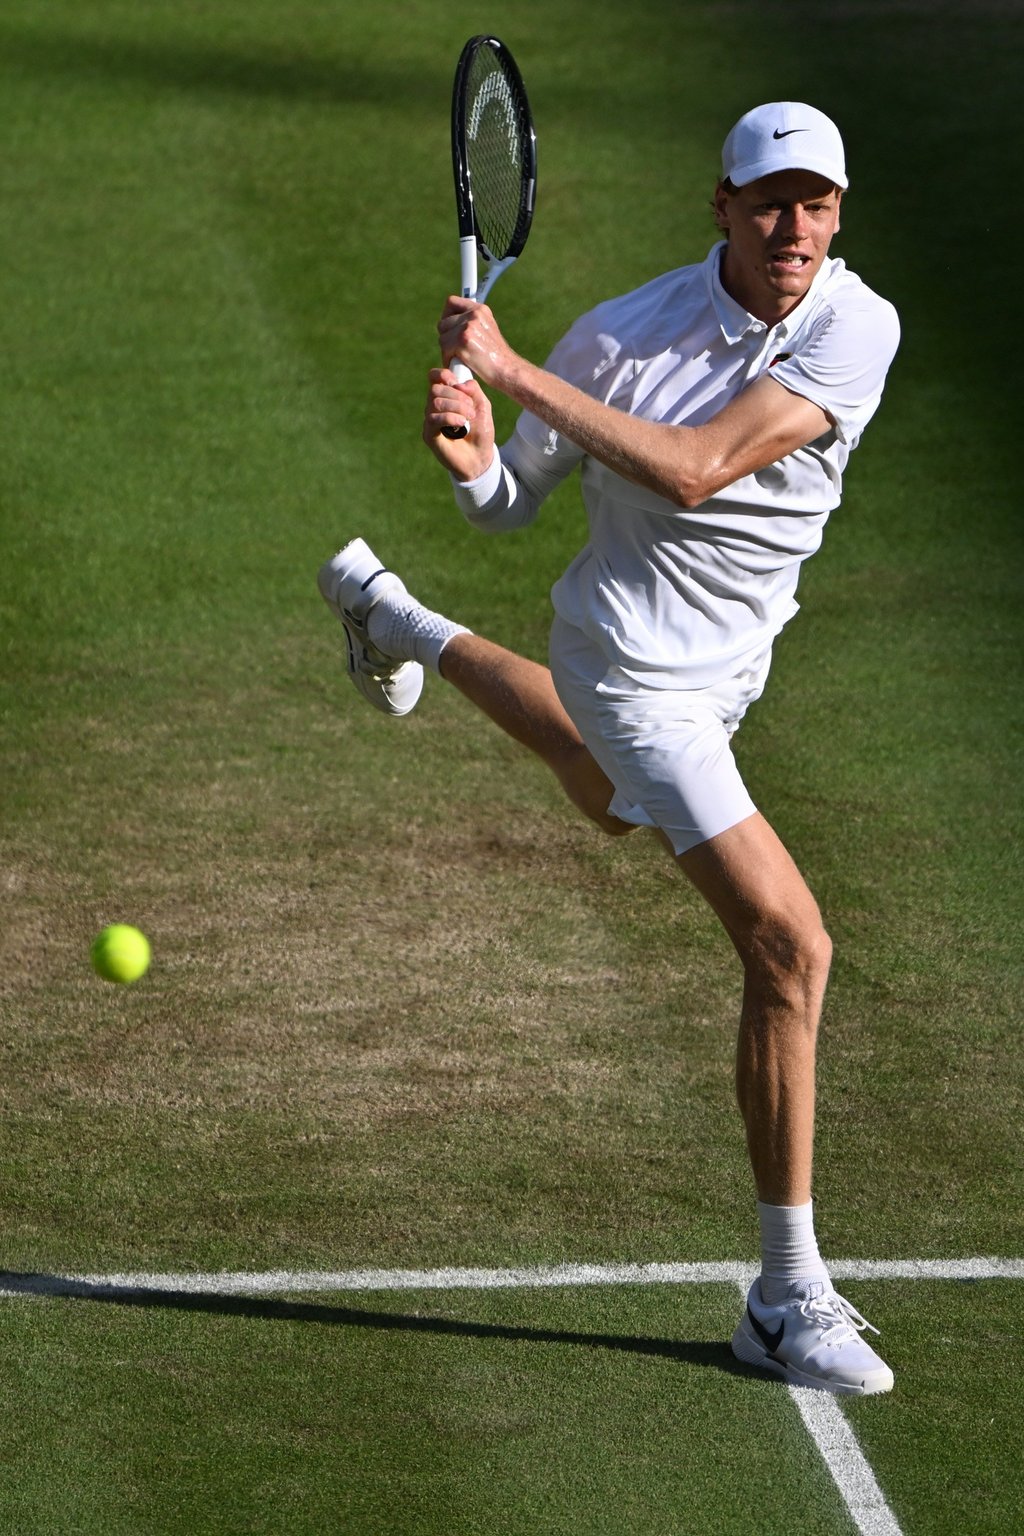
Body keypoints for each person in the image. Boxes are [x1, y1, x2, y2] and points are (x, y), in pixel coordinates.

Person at [318, 102, 900, 1395]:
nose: (791, 226)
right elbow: (513, 503)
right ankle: (788, 1297)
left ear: (839, 213)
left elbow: (700, 471)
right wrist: (475, 455)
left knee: (609, 804)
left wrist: (512, 377)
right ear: (722, 206)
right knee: (789, 942)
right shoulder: (619, 339)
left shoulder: (857, 325)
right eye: (767, 201)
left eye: (814, 202)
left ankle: (397, 618)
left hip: (735, 660)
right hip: (628, 663)